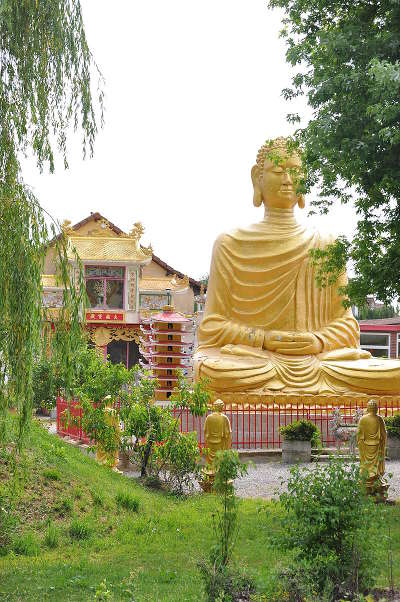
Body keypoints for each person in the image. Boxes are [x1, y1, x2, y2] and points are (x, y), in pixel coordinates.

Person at [194, 137, 400, 397]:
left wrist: (318, 341)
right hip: (256, 362)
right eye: (278, 171)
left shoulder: (326, 244)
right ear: (257, 177)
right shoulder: (230, 244)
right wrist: (263, 339)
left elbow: (348, 327)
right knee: (211, 372)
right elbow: (211, 326)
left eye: (295, 172)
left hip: (320, 362)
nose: (287, 179)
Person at [357, 400, 387, 495]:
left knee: (365, 464)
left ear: (368, 408)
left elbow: (359, 434)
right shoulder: (379, 419)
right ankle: (374, 479)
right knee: (375, 465)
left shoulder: (363, 419)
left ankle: (367, 479)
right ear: (376, 409)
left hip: (365, 445)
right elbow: (384, 434)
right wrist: (383, 443)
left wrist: (360, 443)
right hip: (377, 445)